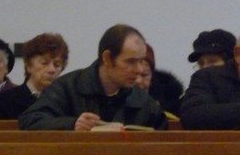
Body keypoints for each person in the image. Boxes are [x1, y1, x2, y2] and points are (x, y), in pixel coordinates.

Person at [18, 24, 167, 130]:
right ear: (107, 58)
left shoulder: (144, 102)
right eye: (130, 62)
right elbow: (30, 120)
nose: (139, 69)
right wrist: (72, 124)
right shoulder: (67, 88)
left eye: (141, 61)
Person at [0, 33, 69, 119]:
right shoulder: (5, 101)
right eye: (44, 63)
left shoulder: (67, 102)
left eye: (57, 64)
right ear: (28, 66)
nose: (51, 70)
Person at [135, 43, 184, 117]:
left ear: (152, 76)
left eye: (144, 75)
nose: (138, 81)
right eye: (133, 74)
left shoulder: (174, 106)